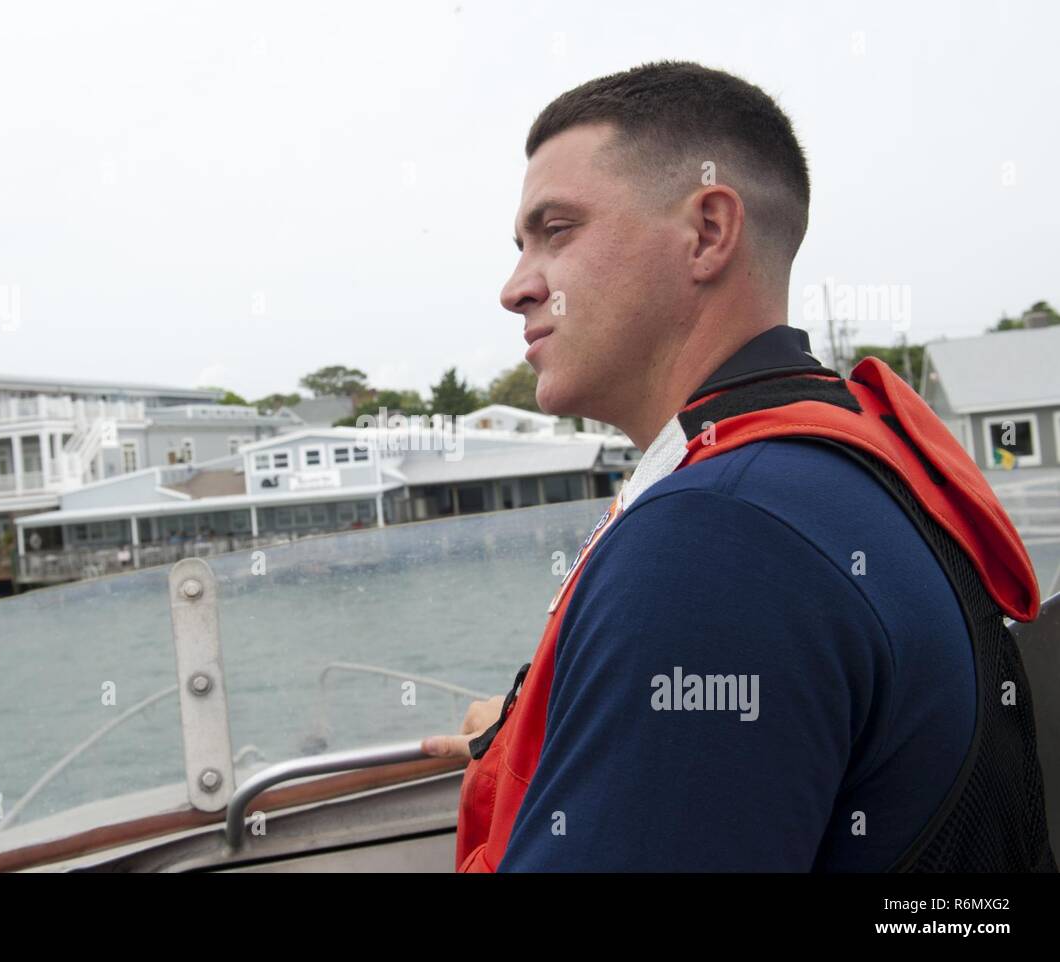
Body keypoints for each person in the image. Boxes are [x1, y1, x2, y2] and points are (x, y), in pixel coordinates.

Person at [422, 61, 1055, 872]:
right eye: (520, 245)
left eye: (557, 230)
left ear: (709, 233)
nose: (516, 288)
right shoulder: (839, 466)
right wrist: (516, 745)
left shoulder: (720, 539)